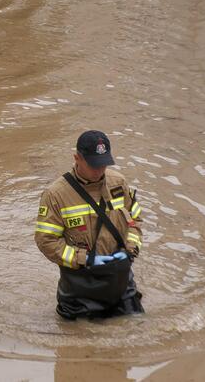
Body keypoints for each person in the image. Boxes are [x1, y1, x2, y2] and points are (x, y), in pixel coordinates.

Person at [34, 130, 144, 320]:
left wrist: (131, 249)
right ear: (77, 158)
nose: (100, 170)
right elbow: (46, 241)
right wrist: (83, 258)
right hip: (79, 291)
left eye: (104, 164)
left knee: (137, 329)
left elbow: (135, 220)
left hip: (121, 282)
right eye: (94, 165)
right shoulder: (55, 195)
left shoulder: (118, 183)